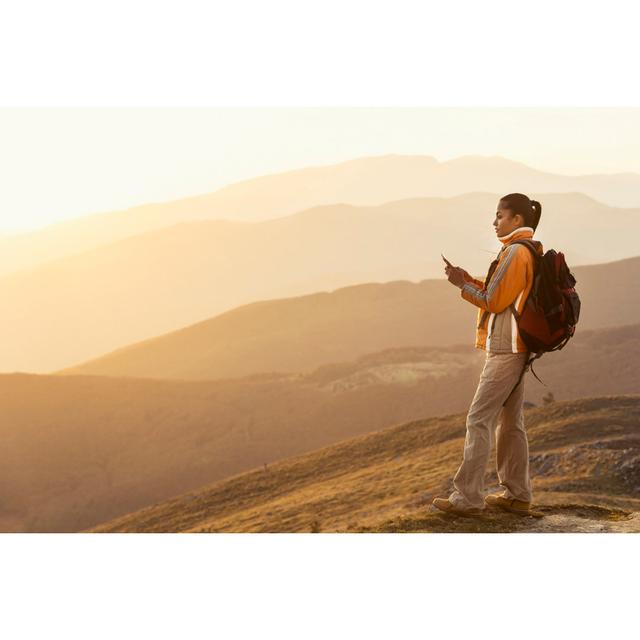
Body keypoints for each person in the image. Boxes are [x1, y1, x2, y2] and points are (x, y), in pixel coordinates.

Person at [432, 193, 543, 517]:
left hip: (506, 348)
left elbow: (494, 302)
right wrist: (468, 280)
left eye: (499, 216)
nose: (494, 222)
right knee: (510, 422)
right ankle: (517, 494)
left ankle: (467, 498)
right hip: (518, 347)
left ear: (517, 220)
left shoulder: (514, 253)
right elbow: (502, 294)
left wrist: (461, 287)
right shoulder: (527, 251)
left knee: (479, 419)